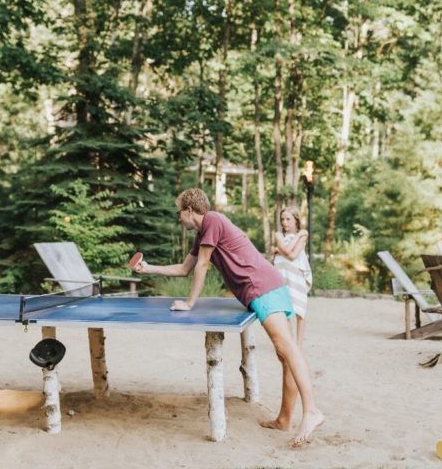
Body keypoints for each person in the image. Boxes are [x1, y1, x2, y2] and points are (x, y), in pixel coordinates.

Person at [134, 188, 324, 447]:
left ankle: (311, 410)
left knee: (286, 347)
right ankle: (285, 419)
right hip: (268, 285)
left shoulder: (213, 219)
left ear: (190, 210)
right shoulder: (203, 233)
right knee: (284, 354)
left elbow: (202, 265)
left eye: (179, 212)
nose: (179, 218)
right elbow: (184, 268)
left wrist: (190, 303)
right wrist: (149, 268)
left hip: (262, 287)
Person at [273, 206, 312, 345]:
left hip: (296, 275)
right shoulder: (279, 235)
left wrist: (278, 250)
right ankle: (289, 342)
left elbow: (293, 255)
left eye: (288, 219)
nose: (285, 222)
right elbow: (289, 251)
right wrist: (297, 237)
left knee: (300, 311)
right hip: (282, 274)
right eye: (282, 219)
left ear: (296, 220)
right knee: (286, 310)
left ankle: (299, 344)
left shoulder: (304, 234)